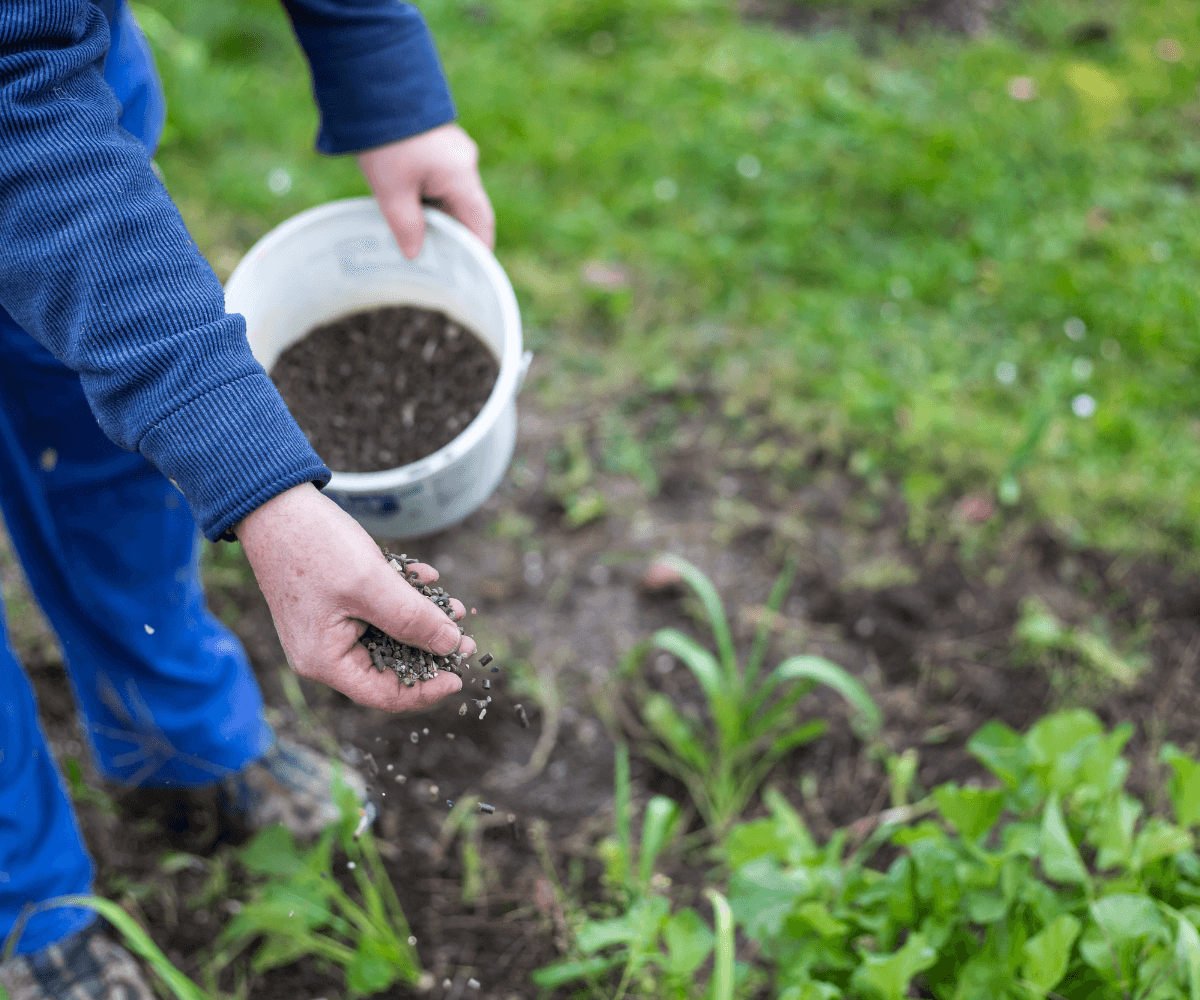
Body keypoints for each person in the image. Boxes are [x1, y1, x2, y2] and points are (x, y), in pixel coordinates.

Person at [0, 1, 495, 996]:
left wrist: (377, 65)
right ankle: (25, 906)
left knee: (104, 436)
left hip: (60, 81)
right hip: (24, 103)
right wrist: (266, 490)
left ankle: (180, 743)